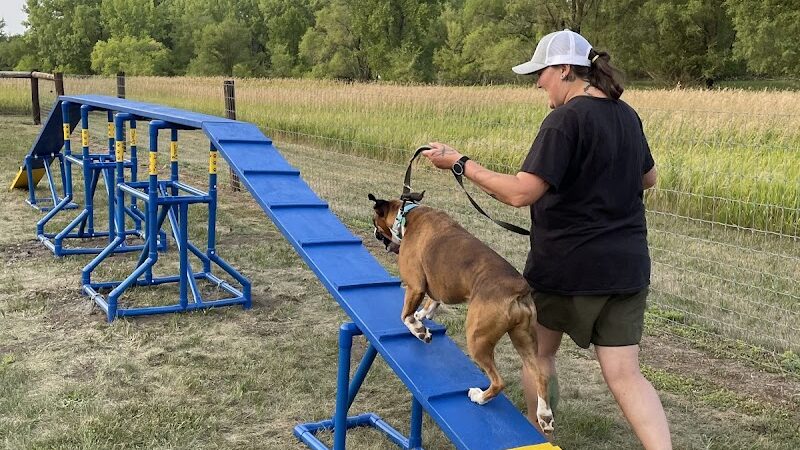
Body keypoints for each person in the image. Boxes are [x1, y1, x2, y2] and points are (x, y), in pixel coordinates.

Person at [421, 29, 671, 449]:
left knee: (539, 356)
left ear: (565, 70)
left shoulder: (564, 120)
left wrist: (461, 163)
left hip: (567, 269)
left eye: (541, 72)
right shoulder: (625, 114)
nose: (537, 82)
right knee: (626, 375)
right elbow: (648, 178)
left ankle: (540, 442)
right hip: (627, 269)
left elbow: (521, 192)